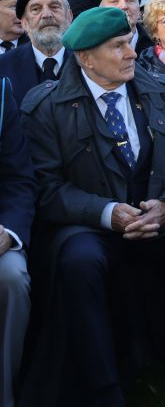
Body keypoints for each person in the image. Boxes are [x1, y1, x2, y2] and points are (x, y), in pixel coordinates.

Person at [21, 6, 165, 406]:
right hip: (89, 223)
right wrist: (107, 213)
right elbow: (46, 188)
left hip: (162, 213)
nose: (132, 53)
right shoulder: (46, 108)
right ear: (85, 58)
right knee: (78, 262)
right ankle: (104, 387)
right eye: (118, 46)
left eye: (130, 42)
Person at [0, 72, 35, 407]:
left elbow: (18, 178)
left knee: (12, 277)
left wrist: (9, 232)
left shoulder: (1, 92)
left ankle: (4, 394)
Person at [0, 0, 72, 104]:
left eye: (54, 7)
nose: (46, 14)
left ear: (69, 16)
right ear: (24, 23)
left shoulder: (89, 62)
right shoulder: (4, 67)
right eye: (36, 9)